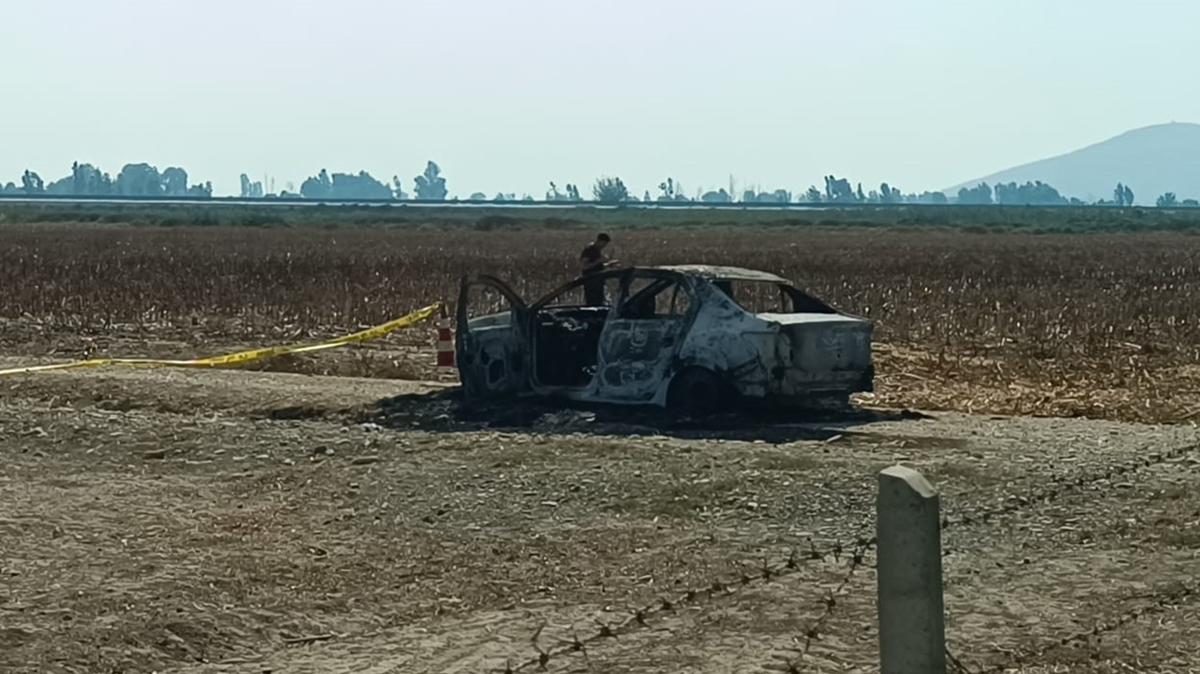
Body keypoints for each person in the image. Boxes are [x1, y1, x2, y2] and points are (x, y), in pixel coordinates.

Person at [579, 233, 616, 306]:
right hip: (590, 281)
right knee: (593, 303)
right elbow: (584, 266)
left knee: (600, 302)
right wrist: (598, 261)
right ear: (599, 241)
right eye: (604, 244)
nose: (604, 246)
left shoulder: (597, 251)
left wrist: (608, 265)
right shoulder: (589, 250)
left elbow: (597, 267)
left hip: (598, 281)